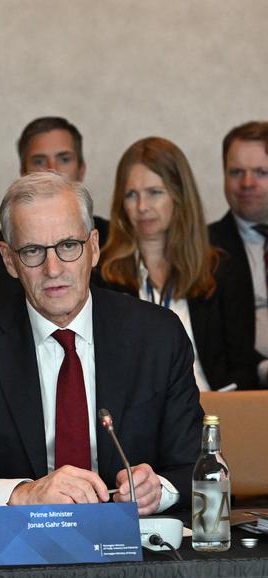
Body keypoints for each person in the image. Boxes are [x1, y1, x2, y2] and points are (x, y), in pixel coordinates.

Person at [0, 172, 202, 517]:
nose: (53, 268)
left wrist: (159, 491)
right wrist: (23, 494)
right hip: (17, 554)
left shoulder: (157, 336)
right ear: (8, 259)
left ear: (93, 247)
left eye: (68, 246)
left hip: (133, 553)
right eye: (33, 250)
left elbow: (198, 467)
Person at [96, 137, 257, 391]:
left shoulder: (222, 268)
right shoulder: (103, 276)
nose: (142, 207)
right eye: (131, 194)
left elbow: (243, 366)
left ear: (179, 195)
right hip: (140, 419)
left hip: (213, 413)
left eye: (154, 192)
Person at [0, 117, 110, 304]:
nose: (52, 170)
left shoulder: (116, 238)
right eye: (39, 161)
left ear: (81, 169)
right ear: (23, 172)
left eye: (64, 159)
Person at [208, 121, 268, 388]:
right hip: (239, 391)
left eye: (260, 172)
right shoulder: (203, 249)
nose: (247, 183)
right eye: (236, 172)